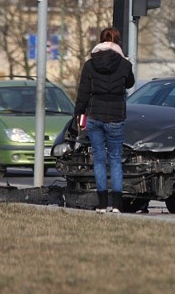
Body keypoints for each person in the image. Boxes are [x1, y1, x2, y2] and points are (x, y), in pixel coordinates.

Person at [75, 27, 135, 213]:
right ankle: (116, 205)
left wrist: (78, 113)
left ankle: (101, 204)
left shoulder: (90, 64)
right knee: (116, 159)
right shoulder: (124, 65)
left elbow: (83, 92)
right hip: (116, 117)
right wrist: (126, 62)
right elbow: (130, 83)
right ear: (118, 43)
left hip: (95, 115)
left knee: (99, 160)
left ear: (100, 41)